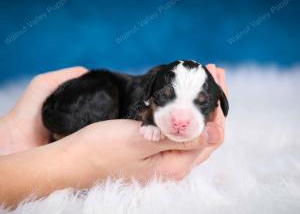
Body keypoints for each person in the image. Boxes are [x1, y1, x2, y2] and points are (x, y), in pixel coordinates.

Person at [0, 64, 228, 206]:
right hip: (83, 97)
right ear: (151, 92)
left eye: (200, 104)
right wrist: (73, 160)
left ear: (219, 104)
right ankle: (64, 135)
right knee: (103, 95)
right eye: (166, 97)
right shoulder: (140, 93)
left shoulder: (156, 83)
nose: (180, 119)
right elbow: (136, 108)